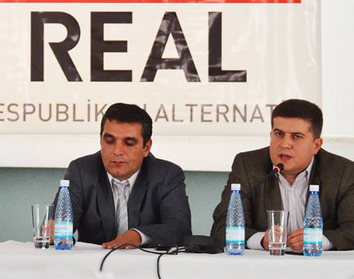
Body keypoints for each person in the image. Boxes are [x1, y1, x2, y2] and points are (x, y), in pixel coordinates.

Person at [211, 99, 354, 251]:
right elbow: (222, 227)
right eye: (279, 134)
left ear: (316, 145)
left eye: (297, 136)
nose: (285, 144)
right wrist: (261, 240)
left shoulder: (342, 172)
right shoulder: (248, 165)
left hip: (322, 268)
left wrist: (319, 241)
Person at [62, 102, 192, 249]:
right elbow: (59, 223)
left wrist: (138, 235)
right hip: (91, 267)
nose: (117, 151)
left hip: (146, 268)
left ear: (146, 148)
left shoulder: (166, 175)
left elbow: (180, 229)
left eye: (129, 143)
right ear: (100, 141)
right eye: (109, 141)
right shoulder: (81, 171)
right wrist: (53, 229)